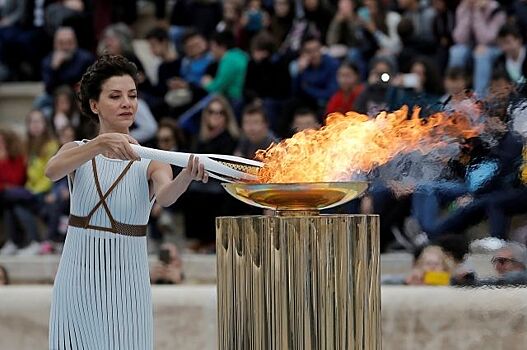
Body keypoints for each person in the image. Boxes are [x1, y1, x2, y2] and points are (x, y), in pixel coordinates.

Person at [45, 55, 208, 349]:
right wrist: (100, 144)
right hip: (75, 280)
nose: (127, 104)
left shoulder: (152, 158)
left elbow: (167, 196)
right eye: (115, 96)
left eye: (132, 96)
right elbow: (52, 170)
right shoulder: (77, 151)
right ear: (95, 105)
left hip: (126, 283)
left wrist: (187, 176)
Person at [2, 110, 59, 256]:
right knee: (13, 205)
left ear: (45, 124)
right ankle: (16, 242)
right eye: (32, 122)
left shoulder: (51, 145)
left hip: (44, 192)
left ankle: (33, 242)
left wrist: (33, 191)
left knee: (10, 198)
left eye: (38, 121)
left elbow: (50, 174)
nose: (35, 125)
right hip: (29, 191)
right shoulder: (27, 146)